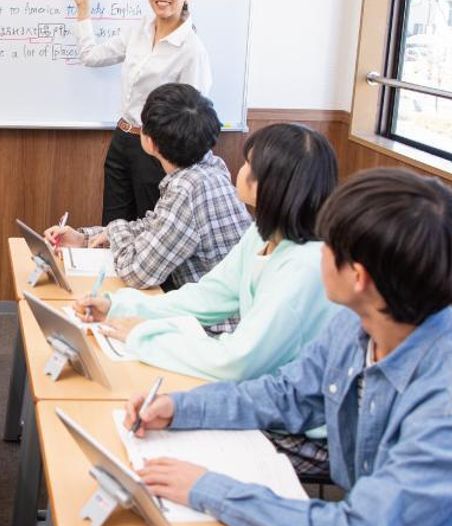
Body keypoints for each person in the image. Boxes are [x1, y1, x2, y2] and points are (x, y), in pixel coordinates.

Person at [126, 168, 452, 526]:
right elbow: (286, 393)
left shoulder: (442, 402)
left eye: (326, 245)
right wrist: (179, 407)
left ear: (358, 277)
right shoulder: (359, 325)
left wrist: (209, 488)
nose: (315, 252)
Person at [77, 123, 339, 473]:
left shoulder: (304, 268)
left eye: (249, 164)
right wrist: (120, 306)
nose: (240, 169)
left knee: (155, 437)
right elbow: (208, 297)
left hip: (304, 426)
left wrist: (143, 335)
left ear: (271, 184)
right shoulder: (263, 234)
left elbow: (236, 362)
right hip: (259, 392)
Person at [43, 83, 250, 291]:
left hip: (212, 311)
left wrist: (114, 230)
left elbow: (137, 273)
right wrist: (84, 239)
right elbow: (154, 226)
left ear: (150, 142)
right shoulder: (210, 166)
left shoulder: (186, 189)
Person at [68, 0, 212, 224]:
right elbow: (91, 56)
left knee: (149, 227)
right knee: (112, 227)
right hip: (122, 140)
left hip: (158, 151)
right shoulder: (138, 31)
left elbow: (194, 118)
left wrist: (164, 154)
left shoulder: (192, 50)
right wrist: (83, 6)